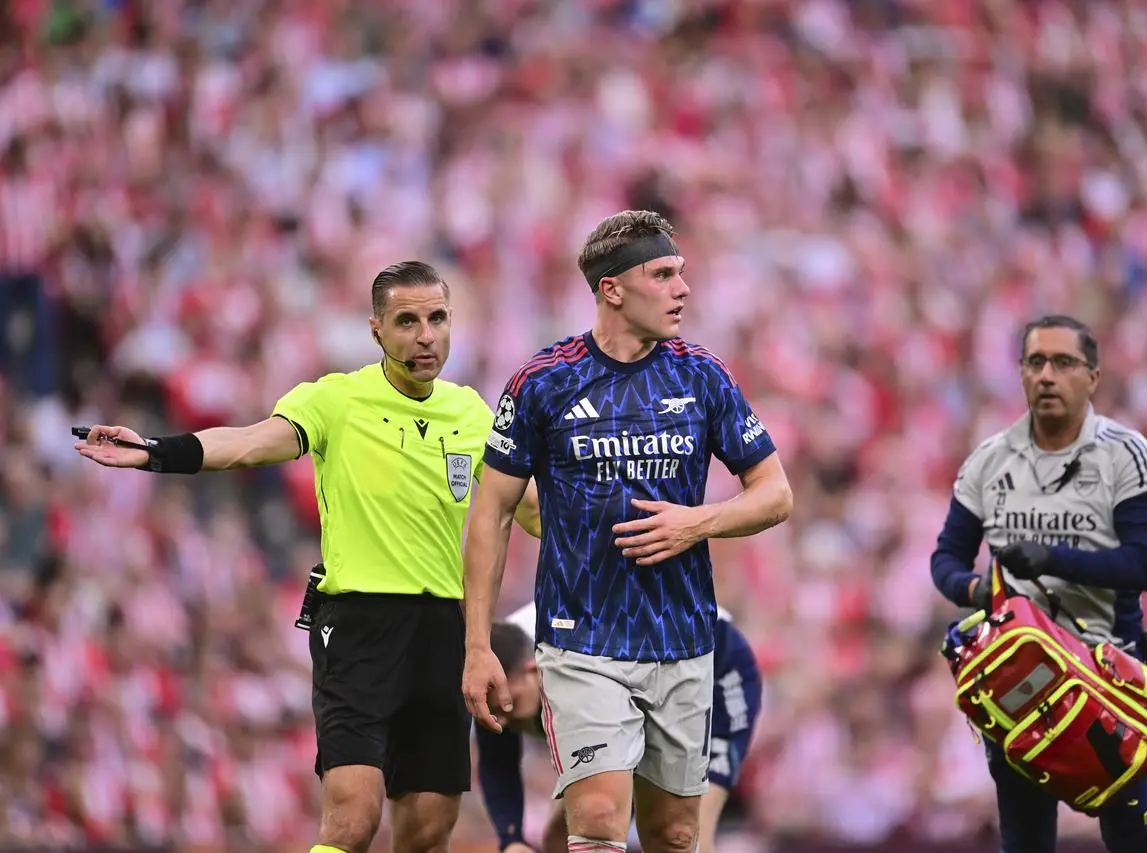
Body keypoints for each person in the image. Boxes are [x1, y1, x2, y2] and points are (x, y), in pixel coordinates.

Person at [74, 261, 539, 853]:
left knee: (427, 827)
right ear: (376, 331)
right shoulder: (336, 401)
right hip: (359, 625)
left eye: (437, 318)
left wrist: (608, 541)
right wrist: (157, 451)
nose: (425, 335)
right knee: (353, 816)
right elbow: (246, 443)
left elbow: (525, 508)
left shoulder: (471, 413)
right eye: (407, 321)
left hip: (444, 629)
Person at [460, 209, 792, 853]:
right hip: (582, 641)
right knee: (601, 822)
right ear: (612, 289)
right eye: (663, 274)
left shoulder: (702, 375)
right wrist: (478, 644)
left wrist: (700, 521)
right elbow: (493, 512)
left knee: (673, 833)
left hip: (684, 638)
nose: (682, 289)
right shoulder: (542, 382)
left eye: (682, 274)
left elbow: (775, 493)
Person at [930, 314, 1147, 853]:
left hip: (1110, 678)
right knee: (1025, 842)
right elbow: (945, 558)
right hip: (1022, 683)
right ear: (1020, 373)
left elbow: (1146, 565)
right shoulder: (988, 461)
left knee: (1133, 839)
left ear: (1093, 376)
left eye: (1064, 363)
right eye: (1036, 362)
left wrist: (1050, 559)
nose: (1047, 375)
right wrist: (980, 593)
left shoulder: (1128, 456)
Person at [476, 602, 764, 853]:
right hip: (633, 671)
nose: (502, 720)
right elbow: (496, 763)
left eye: (509, 705)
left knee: (685, 833)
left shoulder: (570, 649)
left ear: (533, 669)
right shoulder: (495, 668)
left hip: (715, 671)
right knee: (565, 835)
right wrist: (511, 838)